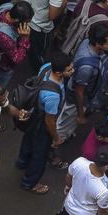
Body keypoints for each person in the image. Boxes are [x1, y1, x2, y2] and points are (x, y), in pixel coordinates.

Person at [18, 54, 74, 195]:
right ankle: (30, 183)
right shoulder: (52, 96)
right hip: (41, 122)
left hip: (34, 114)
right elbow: (49, 120)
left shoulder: (46, 67)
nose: (72, 71)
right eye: (69, 70)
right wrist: (56, 137)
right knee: (40, 154)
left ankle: (22, 162)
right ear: (58, 72)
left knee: (28, 140)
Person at [57, 23, 108, 144]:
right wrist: (80, 114)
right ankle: (58, 139)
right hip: (76, 99)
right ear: (97, 44)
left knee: (69, 119)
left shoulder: (87, 42)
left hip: (85, 93)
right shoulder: (87, 67)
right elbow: (79, 92)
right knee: (65, 121)